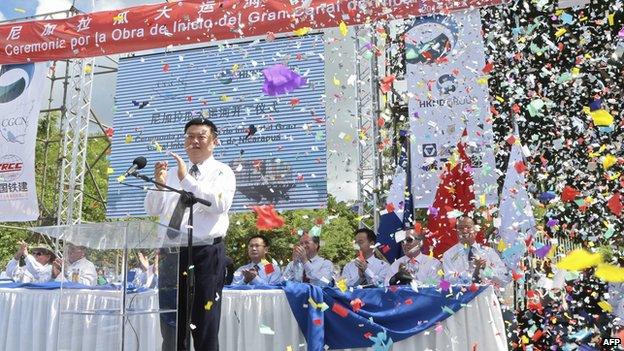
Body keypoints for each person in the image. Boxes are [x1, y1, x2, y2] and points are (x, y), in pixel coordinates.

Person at [144, 117, 236, 351]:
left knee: (204, 322)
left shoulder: (222, 172)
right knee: (171, 323)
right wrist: (158, 185)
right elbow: (154, 209)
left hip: (205, 253)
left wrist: (187, 180)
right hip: (171, 252)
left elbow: (219, 205)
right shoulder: (172, 173)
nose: (194, 141)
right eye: (189, 136)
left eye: (201, 136)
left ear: (214, 142)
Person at [442, 217, 510, 286]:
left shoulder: (489, 252)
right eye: (460, 228)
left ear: (476, 231)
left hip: (486, 295)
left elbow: (504, 277)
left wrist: (485, 269)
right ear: (456, 231)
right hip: (463, 296)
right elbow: (448, 282)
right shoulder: (449, 255)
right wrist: (473, 271)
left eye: (468, 227)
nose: (464, 231)